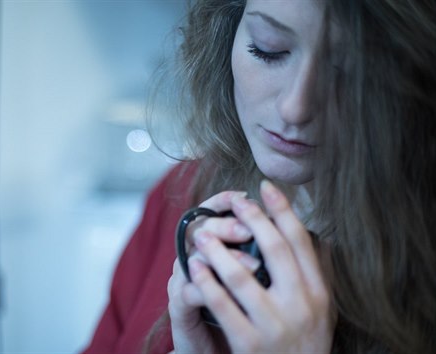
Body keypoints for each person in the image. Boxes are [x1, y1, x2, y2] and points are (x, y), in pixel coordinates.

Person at [82, 0, 436, 353]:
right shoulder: (182, 194)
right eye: (268, 50)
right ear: (229, 32)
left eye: (350, 72)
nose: (295, 108)